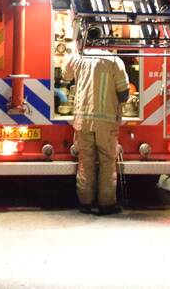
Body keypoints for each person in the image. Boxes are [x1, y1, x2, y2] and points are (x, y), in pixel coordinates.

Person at [63, 25, 129, 215]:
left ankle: (85, 203)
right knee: (108, 163)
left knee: (86, 162)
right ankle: (106, 204)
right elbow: (124, 93)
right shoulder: (114, 61)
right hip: (106, 122)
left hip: (83, 121)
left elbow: (65, 77)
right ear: (103, 40)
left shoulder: (77, 58)